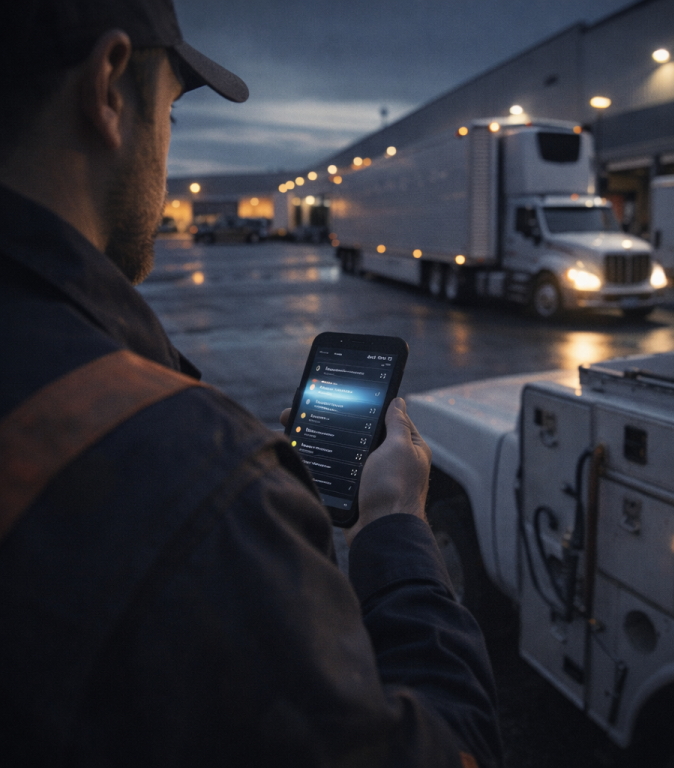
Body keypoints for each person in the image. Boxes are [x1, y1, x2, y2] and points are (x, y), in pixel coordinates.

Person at [0, 2, 502, 766]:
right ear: (108, 89)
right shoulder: (191, 487)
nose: (168, 147)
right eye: (171, 109)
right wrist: (392, 525)